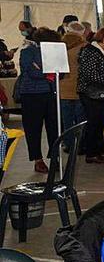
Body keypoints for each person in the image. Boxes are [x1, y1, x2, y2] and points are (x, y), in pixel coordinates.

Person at [18, 28, 61, 173]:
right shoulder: (27, 51)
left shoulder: (54, 52)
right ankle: (38, 159)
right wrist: (48, 73)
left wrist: (45, 70)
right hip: (31, 94)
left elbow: (60, 72)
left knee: (54, 127)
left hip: (51, 93)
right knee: (33, 128)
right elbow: (31, 72)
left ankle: (54, 156)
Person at [77, 27, 104, 164]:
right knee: (94, 124)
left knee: (101, 123)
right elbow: (90, 74)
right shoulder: (90, 52)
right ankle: (92, 153)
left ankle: (100, 152)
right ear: (103, 39)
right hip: (92, 93)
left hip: (102, 93)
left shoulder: (103, 52)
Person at [59, 22, 88, 153]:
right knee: (81, 119)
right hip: (80, 89)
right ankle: (80, 145)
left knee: (67, 120)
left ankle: (68, 144)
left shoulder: (61, 47)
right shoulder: (84, 48)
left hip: (64, 89)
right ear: (82, 33)